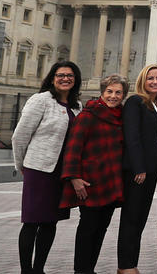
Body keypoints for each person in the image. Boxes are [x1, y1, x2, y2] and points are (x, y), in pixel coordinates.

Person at [13, 61, 81, 274]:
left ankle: (39, 269)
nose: (65, 79)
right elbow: (20, 136)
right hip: (39, 170)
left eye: (70, 75)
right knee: (32, 222)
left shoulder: (77, 106)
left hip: (62, 172)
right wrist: (22, 165)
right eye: (60, 75)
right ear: (52, 78)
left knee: (51, 222)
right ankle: (26, 270)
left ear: (75, 80)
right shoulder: (41, 100)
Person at [62, 74, 125, 274]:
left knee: (101, 229)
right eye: (109, 92)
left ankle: (89, 269)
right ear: (102, 92)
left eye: (118, 92)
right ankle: (81, 270)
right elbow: (73, 147)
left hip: (110, 179)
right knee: (88, 228)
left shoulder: (120, 115)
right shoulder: (89, 115)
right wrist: (74, 177)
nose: (113, 96)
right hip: (89, 181)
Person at [118, 63, 157, 274]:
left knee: (140, 219)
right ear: (142, 81)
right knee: (131, 218)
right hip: (138, 171)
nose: (155, 82)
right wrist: (139, 167)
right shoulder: (135, 102)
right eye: (150, 78)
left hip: (152, 169)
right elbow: (132, 136)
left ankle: (130, 264)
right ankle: (126, 266)